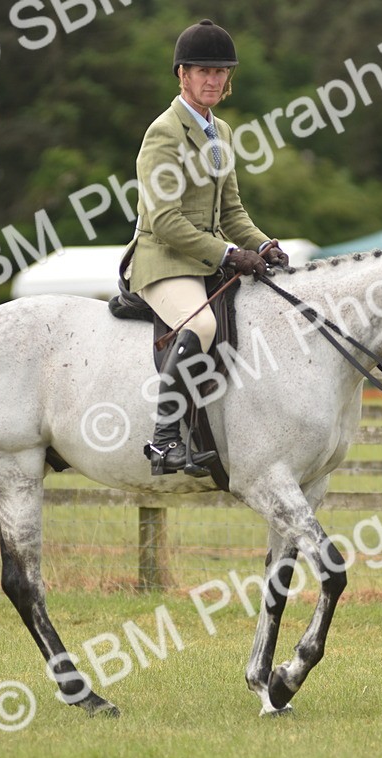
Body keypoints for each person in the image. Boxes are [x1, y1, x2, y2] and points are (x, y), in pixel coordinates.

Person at [124, 18, 289, 476]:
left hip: (203, 259)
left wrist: (263, 244)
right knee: (199, 325)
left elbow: (232, 210)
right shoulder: (165, 133)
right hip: (162, 259)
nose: (213, 80)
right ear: (182, 75)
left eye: (220, 72)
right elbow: (165, 220)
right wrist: (227, 255)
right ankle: (163, 440)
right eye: (203, 71)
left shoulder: (223, 133)